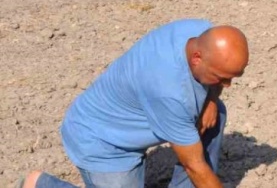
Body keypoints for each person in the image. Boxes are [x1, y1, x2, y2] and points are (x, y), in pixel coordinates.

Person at [15, 20, 249, 188]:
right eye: (220, 78)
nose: (226, 85)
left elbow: (213, 86)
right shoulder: (168, 90)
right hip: (103, 143)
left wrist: (210, 98)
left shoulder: (199, 32)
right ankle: (40, 183)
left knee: (215, 111)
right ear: (197, 58)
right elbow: (194, 165)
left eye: (232, 77)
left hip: (139, 117)